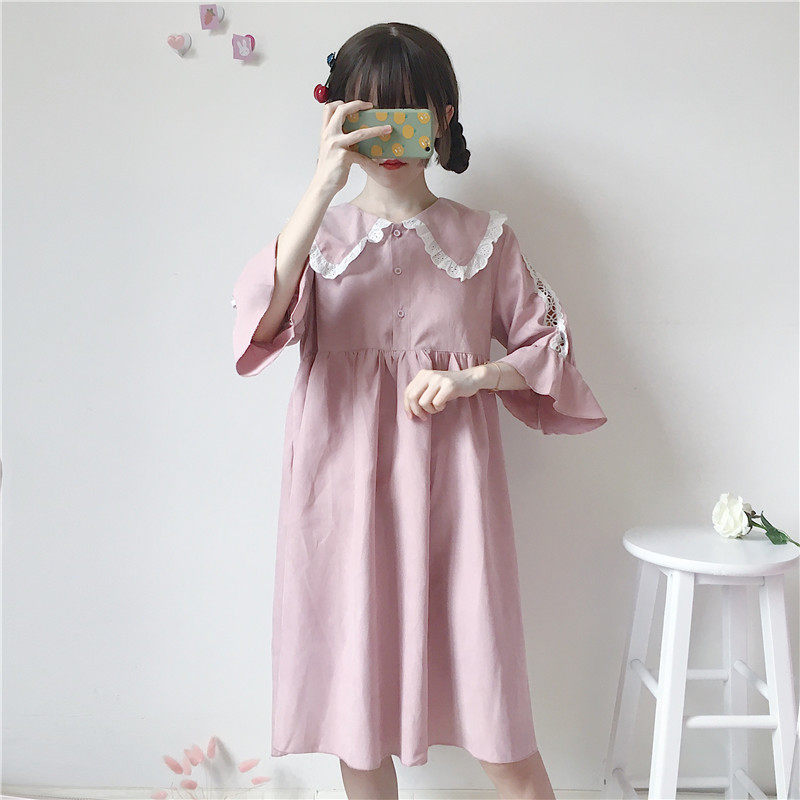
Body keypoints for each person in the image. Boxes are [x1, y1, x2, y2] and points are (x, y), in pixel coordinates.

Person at [231, 21, 607, 800]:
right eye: (372, 113)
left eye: (410, 111)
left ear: (443, 116)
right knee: (357, 720)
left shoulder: (484, 239)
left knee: (498, 723)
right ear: (339, 116)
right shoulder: (317, 238)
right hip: (343, 502)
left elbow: (550, 347)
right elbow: (260, 324)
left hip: (453, 504)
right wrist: (322, 183)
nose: (393, 134)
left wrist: (473, 379)